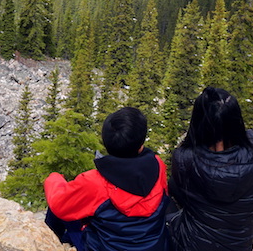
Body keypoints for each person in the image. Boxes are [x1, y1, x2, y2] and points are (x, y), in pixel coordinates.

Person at [167, 87, 253, 251]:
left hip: (192, 244)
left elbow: (177, 194)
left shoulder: (184, 158)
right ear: (236, 122)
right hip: (239, 246)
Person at [43, 107, 170, 251]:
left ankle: (50, 243)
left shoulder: (95, 182)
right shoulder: (158, 165)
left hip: (106, 247)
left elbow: (58, 204)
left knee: (61, 203)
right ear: (141, 145)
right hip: (155, 246)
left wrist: (54, 178)